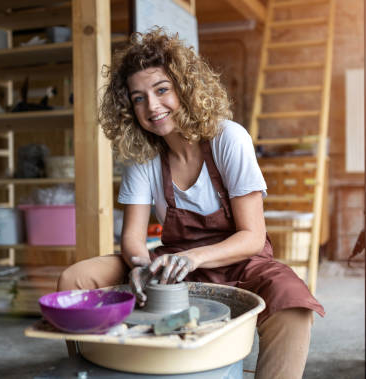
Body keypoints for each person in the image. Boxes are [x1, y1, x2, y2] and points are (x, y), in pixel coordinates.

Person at [57, 28, 324, 378]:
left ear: (185, 87)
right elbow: (134, 240)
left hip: (239, 263)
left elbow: (252, 237)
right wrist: (139, 266)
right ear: (128, 107)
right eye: (138, 98)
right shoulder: (143, 157)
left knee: (292, 301)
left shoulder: (229, 138)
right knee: (75, 280)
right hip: (170, 264)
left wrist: (192, 257)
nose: (152, 106)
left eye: (162, 90)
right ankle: (103, 371)